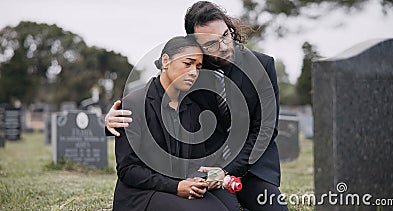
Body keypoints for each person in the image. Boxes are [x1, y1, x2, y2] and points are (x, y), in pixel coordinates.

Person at [107, 2, 288, 210]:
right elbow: (161, 85)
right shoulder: (195, 67)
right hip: (204, 167)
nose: (223, 46)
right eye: (210, 44)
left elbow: (266, 129)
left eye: (225, 35)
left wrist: (227, 171)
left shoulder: (263, 66)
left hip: (251, 165)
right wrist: (116, 118)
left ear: (230, 29)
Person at [113, 36, 236, 211]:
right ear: (165, 61)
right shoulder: (133, 104)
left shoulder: (192, 107)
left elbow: (195, 161)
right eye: (188, 63)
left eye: (198, 67)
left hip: (178, 188)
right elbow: (128, 169)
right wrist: (176, 187)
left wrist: (209, 177)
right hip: (142, 195)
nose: (194, 72)